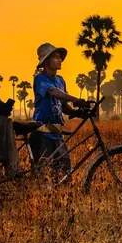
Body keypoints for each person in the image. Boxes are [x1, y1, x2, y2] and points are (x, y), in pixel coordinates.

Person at [30, 43, 87, 176]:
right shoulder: (39, 79)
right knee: (44, 172)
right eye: (55, 57)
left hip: (56, 133)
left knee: (64, 170)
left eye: (60, 57)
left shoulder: (61, 80)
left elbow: (64, 106)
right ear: (46, 61)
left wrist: (77, 112)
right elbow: (53, 91)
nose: (59, 60)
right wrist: (75, 99)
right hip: (43, 132)